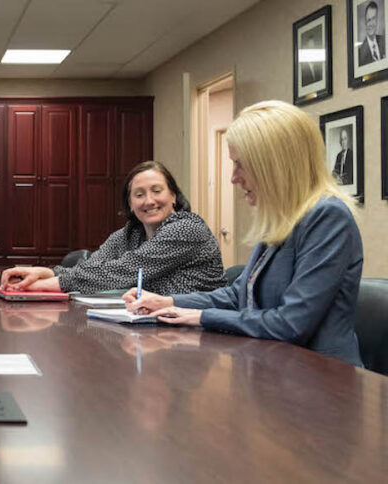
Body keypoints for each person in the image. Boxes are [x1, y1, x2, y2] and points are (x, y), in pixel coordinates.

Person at [126, 100, 363, 366]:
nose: (234, 177)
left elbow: (292, 323)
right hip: (274, 369)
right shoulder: (282, 218)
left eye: (241, 164)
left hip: (324, 380)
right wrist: (167, 301)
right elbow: (238, 295)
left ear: (273, 165)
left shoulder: (327, 216)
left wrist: (202, 317)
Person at [0, 161, 226, 295]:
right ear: (129, 203)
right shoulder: (129, 233)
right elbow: (94, 267)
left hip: (197, 335)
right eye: (139, 195)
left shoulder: (187, 229)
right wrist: (47, 272)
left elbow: (124, 271)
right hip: (151, 327)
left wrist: (42, 286)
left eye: (157, 191)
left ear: (174, 196)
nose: (149, 201)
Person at [358, 1, 385, 66]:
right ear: (365, 23)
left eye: (373, 18)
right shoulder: (360, 53)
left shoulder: (384, 41)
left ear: (377, 20)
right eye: (368, 20)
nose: (371, 24)